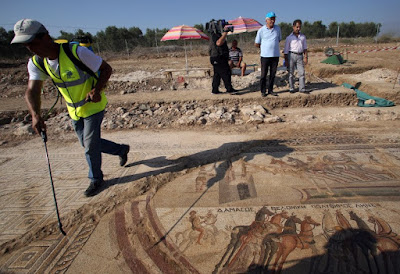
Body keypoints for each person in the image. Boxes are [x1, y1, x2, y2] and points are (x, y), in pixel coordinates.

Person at [11, 19, 130, 197]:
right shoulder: (37, 63)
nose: (31, 48)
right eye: (26, 45)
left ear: (45, 37)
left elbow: (106, 69)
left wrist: (96, 90)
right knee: (86, 143)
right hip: (74, 110)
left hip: (93, 106)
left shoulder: (77, 52)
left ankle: (96, 179)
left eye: (32, 43)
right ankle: (120, 149)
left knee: (89, 145)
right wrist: (35, 115)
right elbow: (32, 90)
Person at [255, 11, 282, 97]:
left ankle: (270, 90)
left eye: (274, 19)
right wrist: (265, 47)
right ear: (266, 20)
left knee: (273, 74)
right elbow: (256, 43)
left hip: (275, 56)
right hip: (265, 56)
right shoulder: (261, 30)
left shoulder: (278, 29)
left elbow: (279, 39)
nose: (272, 21)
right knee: (263, 75)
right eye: (271, 19)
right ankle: (263, 91)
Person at [208, 21, 236, 94]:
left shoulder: (218, 35)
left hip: (219, 57)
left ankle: (215, 90)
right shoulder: (215, 35)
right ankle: (229, 89)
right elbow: (218, 43)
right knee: (226, 73)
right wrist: (225, 33)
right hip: (217, 57)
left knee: (217, 74)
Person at [284, 19, 309, 94]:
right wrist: (286, 60)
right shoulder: (289, 38)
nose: (298, 29)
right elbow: (286, 50)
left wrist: (306, 57)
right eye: (297, 27)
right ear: (293, 27)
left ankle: (302, 88)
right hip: (291, 55)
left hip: (300, 56)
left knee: (301, 72)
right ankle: (291, 88)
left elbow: (305, 48)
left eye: (299, 27)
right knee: (291, 73)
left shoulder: (303, 37)